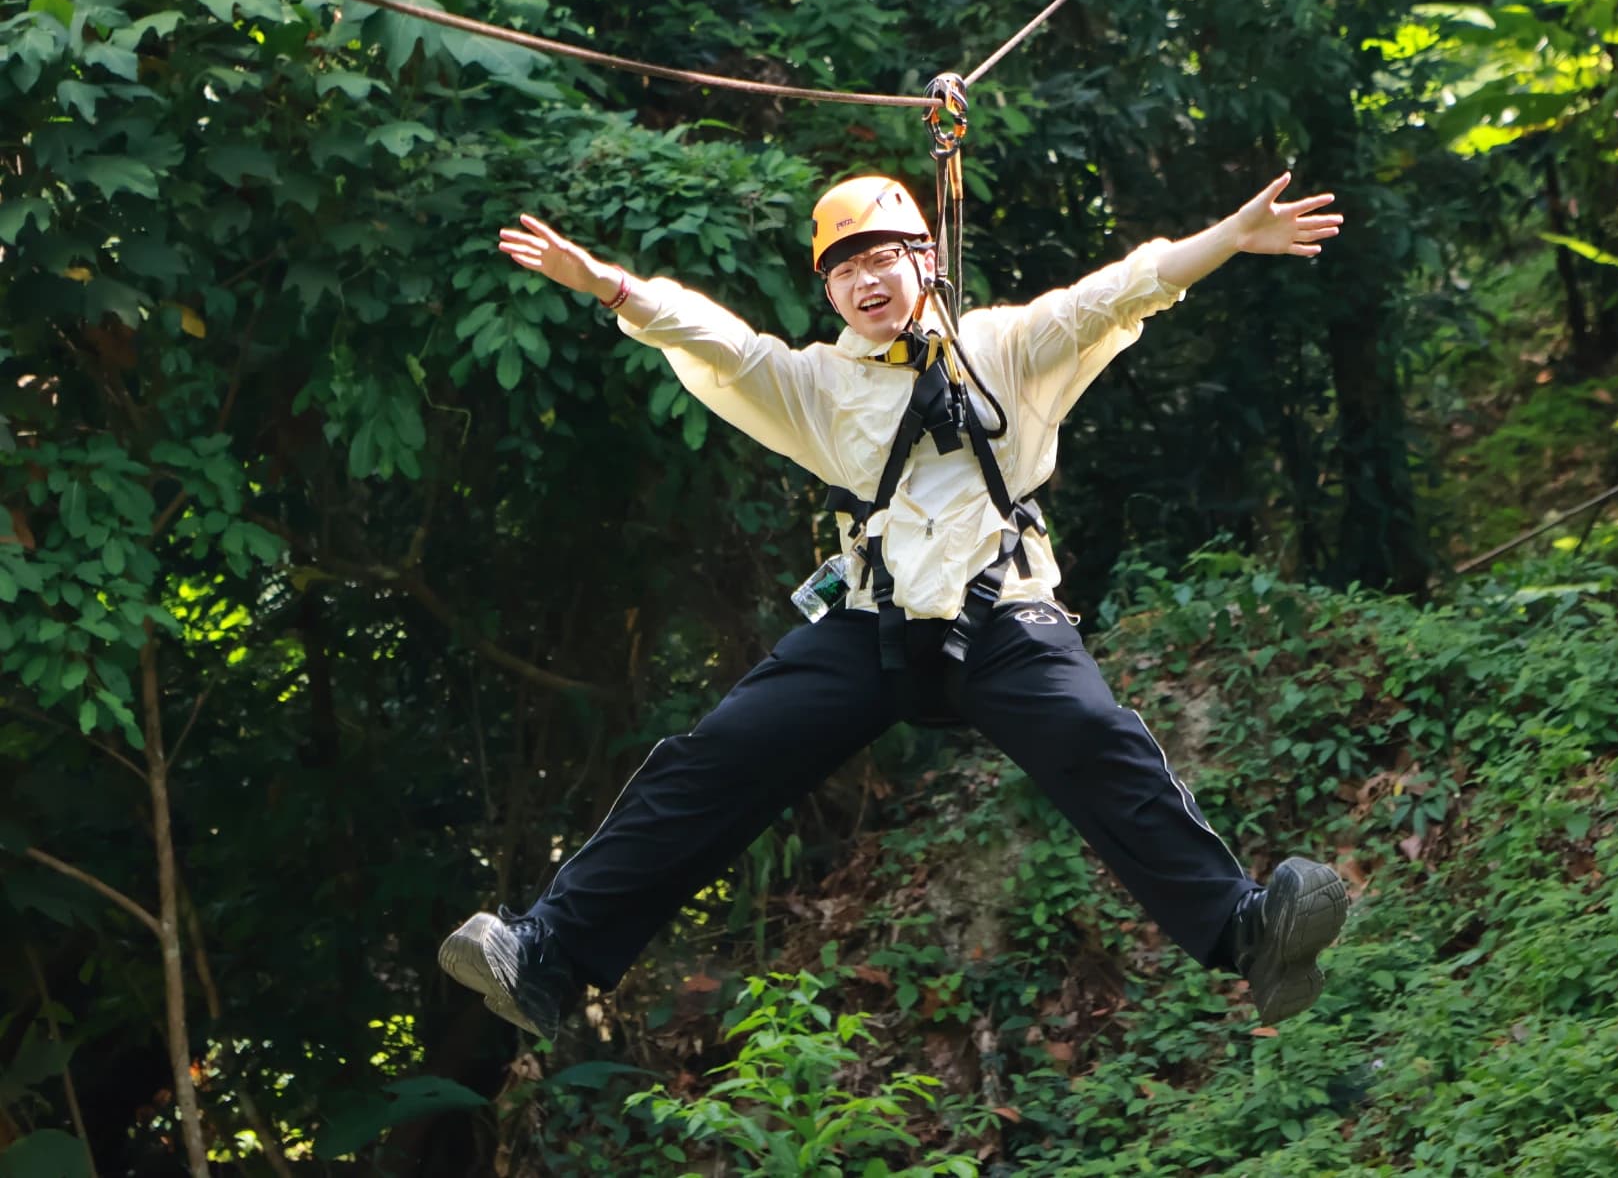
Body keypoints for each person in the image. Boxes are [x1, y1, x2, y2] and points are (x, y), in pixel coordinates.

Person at [440, 170, 1349, 1041]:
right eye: (843, 270)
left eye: (880, 258)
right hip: (869, 624)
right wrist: (613, 288)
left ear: (926, 258)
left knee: (1092, 734)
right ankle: (547, 954)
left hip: (1001, 614)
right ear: (829, 294)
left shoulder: (1003, 348)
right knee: (713, 759)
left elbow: (1119, 292)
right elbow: (722, 344)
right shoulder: (818, 386)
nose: (864, 281)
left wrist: (1231, 238)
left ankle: (1248, 933)